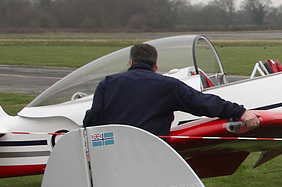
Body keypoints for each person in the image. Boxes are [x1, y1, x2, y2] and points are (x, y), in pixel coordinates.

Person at [83, 42, 262, 137]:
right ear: (155, 66)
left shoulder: (108, 82)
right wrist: (240, 112)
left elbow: (92, 118)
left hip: (111, 152)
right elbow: (203, 103)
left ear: (130, 63)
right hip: (151, 152)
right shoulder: (168, 85)